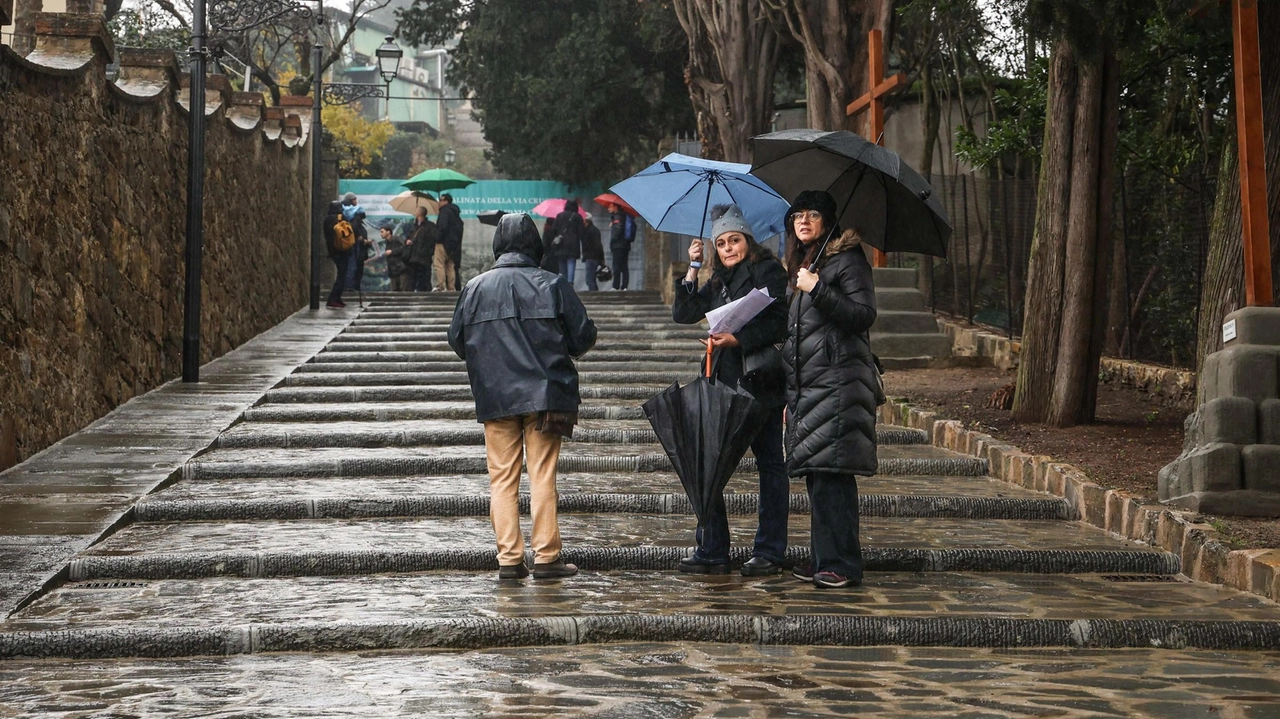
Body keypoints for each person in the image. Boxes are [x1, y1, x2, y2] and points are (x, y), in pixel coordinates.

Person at [448, 213, 598, 580]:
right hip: (546, 397)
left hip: (496, 398)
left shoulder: (475, 288)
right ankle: (547, 557)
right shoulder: (553, 284)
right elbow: (583, 337)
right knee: (543, 475)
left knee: (501, 479)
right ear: (536, 244)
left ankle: (510, 560)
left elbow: (457, 341)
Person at [672, 204, 789, 575]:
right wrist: (693, 266)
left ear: (747, 240)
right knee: (709, 465)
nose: (727, 249)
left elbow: (781, 323)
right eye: (721, 244)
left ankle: (769, 551)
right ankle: (712, 549)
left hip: (761, 385)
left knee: (770, 465)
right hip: (722, 385)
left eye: (734, 241)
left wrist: (737, 338)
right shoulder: (719, 280)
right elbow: (685, 313)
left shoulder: (768, 271)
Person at [782, 190, 877, 589]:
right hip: (812, 387)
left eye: (813, 215)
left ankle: (842, 564)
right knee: (818, 477)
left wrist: (818, 288)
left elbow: (863, 315)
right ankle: (824, 558)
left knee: (834, 476)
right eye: (798, 215)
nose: (803, 221)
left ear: (829, 221)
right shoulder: (809, 264)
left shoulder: (848, 261)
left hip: (838, 384)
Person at [341, 193, 372, 300]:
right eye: (355, 199)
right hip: (353, 244)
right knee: (352, 264)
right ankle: (349, 286)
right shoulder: (354, 216)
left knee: (349, 264)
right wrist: (359, 236)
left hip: (346, 242)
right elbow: (354, 227)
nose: (356, 201)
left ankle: (348, 285)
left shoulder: (344, 212)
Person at [323, 199, 351, 308]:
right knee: (341, 276)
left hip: (333, 251)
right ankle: (333, 298)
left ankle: (337, 298)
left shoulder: (327, 219)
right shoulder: (338, 219)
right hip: (341, 251)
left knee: (341, 275)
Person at [549, 199, 584, 283]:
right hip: (573, 244)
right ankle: (570, 282)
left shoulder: (559, 216)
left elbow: (553, 229)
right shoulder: (577, 217)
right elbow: (581, 232)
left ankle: (564, 284)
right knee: (571, 262)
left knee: (562, 263)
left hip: (561, 243)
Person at [436, 193, 463, 291]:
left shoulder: (444, 211)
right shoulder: (456, 214)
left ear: (446, 201)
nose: (438, 202)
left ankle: (441, 286)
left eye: (440, 200)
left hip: (442, 242)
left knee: (439, 264)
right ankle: (451, 288)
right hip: (453, 245)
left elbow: (442, 227)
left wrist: (437, 238)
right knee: (450, 266)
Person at [407, 206, 438, 291]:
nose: (414, 212)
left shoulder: (430, 226)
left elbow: (432, 240)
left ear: (420, 213)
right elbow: (409, 236)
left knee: (425, 278)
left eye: (416, 211)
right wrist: (408, 241)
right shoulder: (414, 226)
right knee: (412, 278)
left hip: (424, 258)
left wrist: (427, 251)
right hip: (413, 256)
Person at [608, 204, 636, 290]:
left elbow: (619, 229)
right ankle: (624, 286)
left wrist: (613, 240)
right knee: (624, 266)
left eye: (610, 206)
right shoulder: (623, 216)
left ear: (616, 207)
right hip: (625, 245)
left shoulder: (618, 217)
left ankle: (615, 286)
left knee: (616, 266)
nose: (608, 209)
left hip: (618, 245)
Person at [382, 224, 412, 291]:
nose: (381, 234)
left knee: (403, 288)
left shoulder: (396, 238)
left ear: (388, 232)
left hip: (401, 268)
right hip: (393, 270)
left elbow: (404, 248)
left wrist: (392, 251)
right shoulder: (387, 242)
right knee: (394, 289)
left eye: (382, 231)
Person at [581, 212, 604, 291]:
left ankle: (594, 294)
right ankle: (596, 293)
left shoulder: (590, 231)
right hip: (594, 257)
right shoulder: (593, 230)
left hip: (591, 257)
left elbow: (597, 245)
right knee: (591, 279)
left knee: (589, 279)